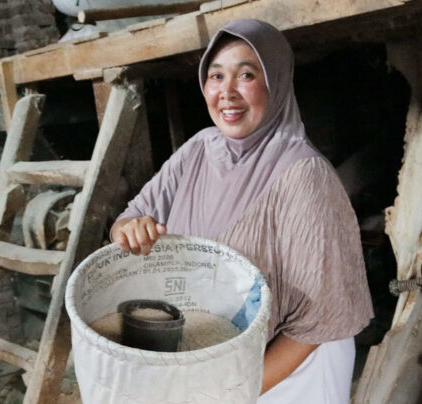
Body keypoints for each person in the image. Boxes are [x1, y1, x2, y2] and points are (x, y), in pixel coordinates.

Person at [109, 18, 374, 403]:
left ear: (276, 82)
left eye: (246, 75)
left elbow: (320, 321)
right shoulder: (199, 150)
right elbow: (129, 219)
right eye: (216, 76)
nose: (226, 92)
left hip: (292, 370)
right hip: (219, 359)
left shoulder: (303, 174)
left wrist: (235, 390)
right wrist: (129, 230)